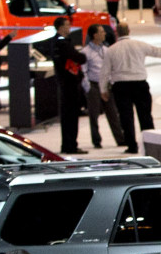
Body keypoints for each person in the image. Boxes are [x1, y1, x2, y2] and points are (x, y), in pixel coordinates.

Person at [104, 24, 161, 155]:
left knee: (126, 117)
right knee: (145, 116)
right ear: (129, 31)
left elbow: (104, 72)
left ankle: (131, 145)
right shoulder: (140, 45)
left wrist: (103, 89)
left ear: (117, 33)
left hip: (121, 86)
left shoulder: (111, 49)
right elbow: (160, 52)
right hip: (139, 84)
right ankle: (150, 145)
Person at [36, 17, 86, 154]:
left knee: (67, 115)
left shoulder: (55, 42)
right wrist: (80, 56)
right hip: (68, 83)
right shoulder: (63, 43)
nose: (69, 27)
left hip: (64, 82)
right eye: (67, 25)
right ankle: (71, 145)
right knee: (70, 115)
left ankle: (68, 144)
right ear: (60, 27)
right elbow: (79, 58)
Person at [81, 22, 114, 151]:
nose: (104, 33)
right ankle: (96, 141)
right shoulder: (86, 52)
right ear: (95, 35)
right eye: (101, 32)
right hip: (93, 85)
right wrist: (88, 87)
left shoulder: (106, 50)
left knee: (113, 113)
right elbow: (83, 71)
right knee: (93, 114)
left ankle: (120, 138)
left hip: (106, 84)